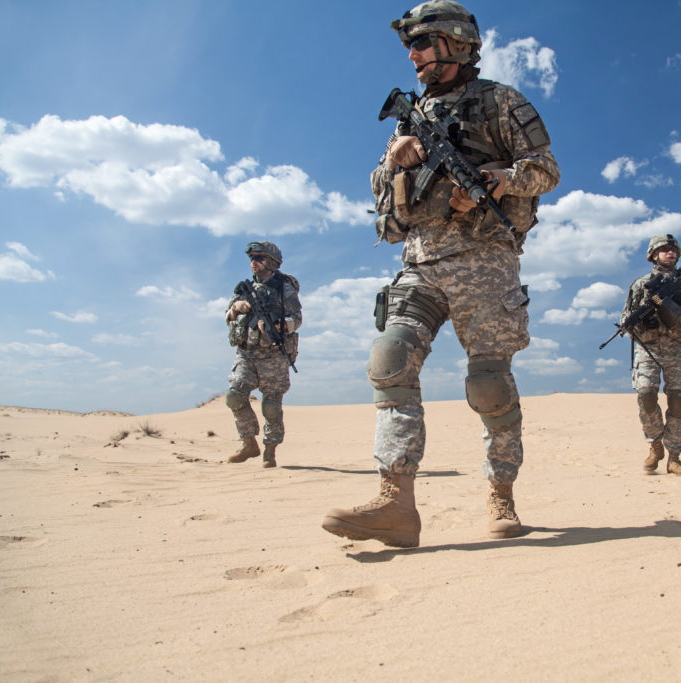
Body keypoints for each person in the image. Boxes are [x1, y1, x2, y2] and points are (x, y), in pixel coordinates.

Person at [322, 0, 559, 548]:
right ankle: (395, 502)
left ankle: (502, 492)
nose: (413, 55)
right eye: (410, 46)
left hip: (485, 259)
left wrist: (499, 178)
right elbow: (383, 200)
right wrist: (394, 163)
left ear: (455, 42)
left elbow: (546, 168)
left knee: (488, 383)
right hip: (421, 259)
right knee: (390, 358)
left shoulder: (501, 100)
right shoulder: (409, 117)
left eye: (422, 43)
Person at [621, 234, 681, 476]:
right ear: (653, 254)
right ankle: (655, 445)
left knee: (678, 401)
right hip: (648, 349)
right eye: (664, 249)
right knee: (646, 396)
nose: (670, 253)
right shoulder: (641, 284)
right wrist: (644, 320)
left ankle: (674, 457)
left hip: (677, 348)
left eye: (673, 250)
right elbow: (624, 320)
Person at [224, 241, 301, 468]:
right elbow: (227, 316)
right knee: (234, 396)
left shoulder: (283, 288)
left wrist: (280, 327)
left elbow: (297, 318)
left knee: (271, 406)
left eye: (260, 258)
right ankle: (249, 443)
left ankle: (270, 450)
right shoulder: (242, 289)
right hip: (246, 353)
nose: (254, 262)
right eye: (252, 258)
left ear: (273, 262)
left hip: (273, 355)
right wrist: (235, 309)